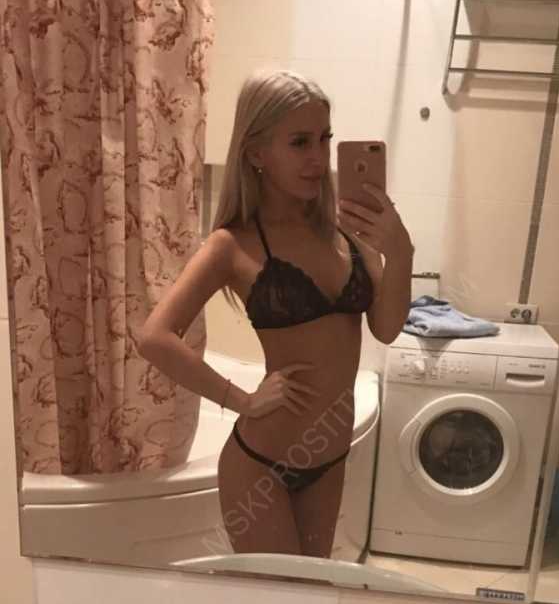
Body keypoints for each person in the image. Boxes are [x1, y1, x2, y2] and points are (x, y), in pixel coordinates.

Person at [139, 69, 414, 557]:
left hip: (328, 460)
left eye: (324, 139)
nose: (318, 158)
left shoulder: (344, 235)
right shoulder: (232, 245)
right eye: (300, 142)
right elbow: (154, 337)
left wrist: (401, 251)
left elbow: (387, 329)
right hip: (260, 465)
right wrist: (240, 399)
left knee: (310, 594)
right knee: (275, 596)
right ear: (256, 153)